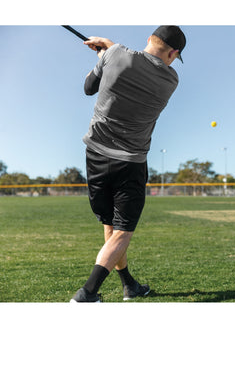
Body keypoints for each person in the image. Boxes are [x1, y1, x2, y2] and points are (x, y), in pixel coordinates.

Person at [70, 26, 186, 302]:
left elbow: (89, 88)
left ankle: (129, 285)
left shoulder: (115, 54)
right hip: (130, 163)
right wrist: (110, 49)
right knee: (122, 232)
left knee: (110, 226)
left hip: (95, 156)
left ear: (149, 39)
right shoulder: (171, 79)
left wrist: (105, 55)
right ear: (173, 53)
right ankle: (87, 293)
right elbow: (133, 62)